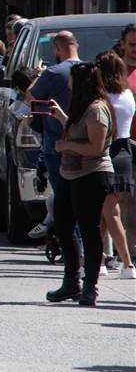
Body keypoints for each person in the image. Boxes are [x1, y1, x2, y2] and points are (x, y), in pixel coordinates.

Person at [45, 62, 114, 306]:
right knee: (63, 225)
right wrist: (62, 117)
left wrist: (67, 146)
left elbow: (95, 148)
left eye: (72, 79)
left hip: (92, 175)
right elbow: (78, 132)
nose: (68, 84)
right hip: (70, 174)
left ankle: (90, 286)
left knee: (89, 229)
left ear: (81, 82)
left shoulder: (97, 109)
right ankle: (71, 281)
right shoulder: (81, 106)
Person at [27, 31, 82, 235]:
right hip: (89, 144)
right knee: (84, 198)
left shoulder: (53, 73)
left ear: (57, 48)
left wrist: (38, 76)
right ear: (76, 45)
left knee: (63, 195)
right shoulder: (92, 70)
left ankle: (72, 245)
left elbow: (32, 99)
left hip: (57, 145)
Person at [94, 51, 135, 279]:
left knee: (110, 211)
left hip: (109, 151)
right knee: (105, 213)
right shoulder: (128, 95)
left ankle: (127, 264)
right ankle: (97, 260)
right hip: (125, 152)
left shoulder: (104, 98)